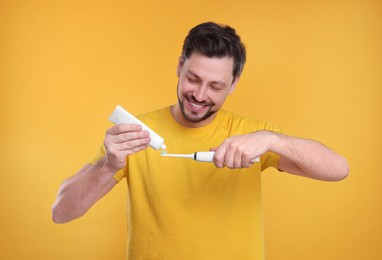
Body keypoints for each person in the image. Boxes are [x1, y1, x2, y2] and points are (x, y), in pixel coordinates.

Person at [52, 22, 349, 259]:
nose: (200, 95)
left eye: (216, 86)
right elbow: (61, 212)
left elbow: (338, 169)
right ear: (180, 65)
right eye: (193, 78)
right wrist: (107, 166)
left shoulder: (253, 136)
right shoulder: (135, 134)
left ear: (233, 84)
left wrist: (271, 140)